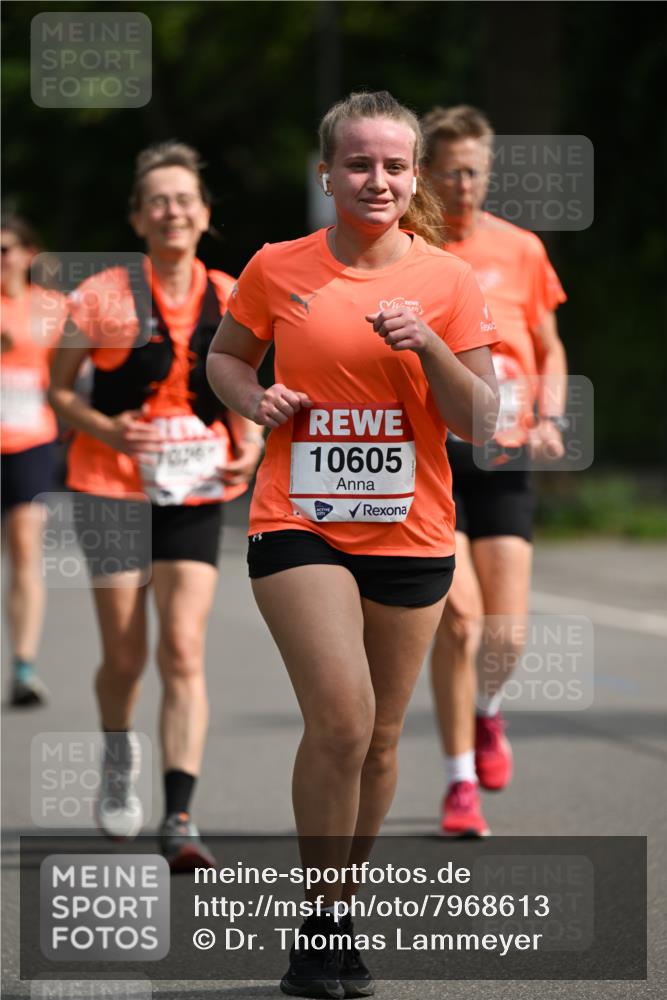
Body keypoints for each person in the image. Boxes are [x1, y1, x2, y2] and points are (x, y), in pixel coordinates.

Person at [207, 90, 499, 999]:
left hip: (410, 528)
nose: (377, 180)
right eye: (359, 163)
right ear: (326, 172)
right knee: (338, 718)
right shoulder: (276, 266)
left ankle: (336, 912)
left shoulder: (447, 282)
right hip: (298, 517)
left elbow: (478, 418)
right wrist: (254, 400)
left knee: (376, 741)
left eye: (394, 165)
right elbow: (225, 356)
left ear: (412, 176)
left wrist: (428, 350)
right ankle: (314, 928)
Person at [48, 142, 264, 871]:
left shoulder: (234, 295)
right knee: (126, 653)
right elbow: (58, 393)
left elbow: (249, 392)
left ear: (204, 216)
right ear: (139, 217)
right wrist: (110, 427)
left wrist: (252, 440)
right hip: (110, 487)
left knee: (181, 647)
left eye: (186, 200)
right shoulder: (104, 295)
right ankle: (118, 756)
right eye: (158, 201)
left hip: (196, 492)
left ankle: (179, 813)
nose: (173, 211)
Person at [422, 105, 568, 837]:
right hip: (430, 459)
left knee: (505, 635)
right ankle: (457, 785)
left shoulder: (521, 250)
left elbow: (548, 345)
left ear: (487, 172)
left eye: (472, 170)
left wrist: (549, 416)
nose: (461, 183)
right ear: (425, 173)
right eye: (447, 170)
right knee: (459, 623)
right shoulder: (406, 249)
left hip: (505, 451)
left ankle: (486, 716)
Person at [1, 214, 68, 706]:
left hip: (31, 440)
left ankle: (24, 666)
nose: (1, 259)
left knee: (25, 549)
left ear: (28, 254)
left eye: (7, 249)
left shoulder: (54, 309)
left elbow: (72, 378)